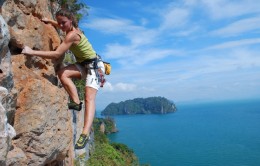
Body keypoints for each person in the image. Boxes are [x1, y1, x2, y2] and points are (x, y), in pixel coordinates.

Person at [22, 9, 103, 149]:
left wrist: (31, 52)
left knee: (89, 97)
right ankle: (76, 102)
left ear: (71, 20)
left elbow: (57, 54)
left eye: (63, 22)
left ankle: (85, 134)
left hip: (95, 67)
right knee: (62, 73)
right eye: (59, 22)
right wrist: (51, 22)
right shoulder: (73, 29)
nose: (61, 25)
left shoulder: (72, 35)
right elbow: (61, 25)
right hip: (84, 65)